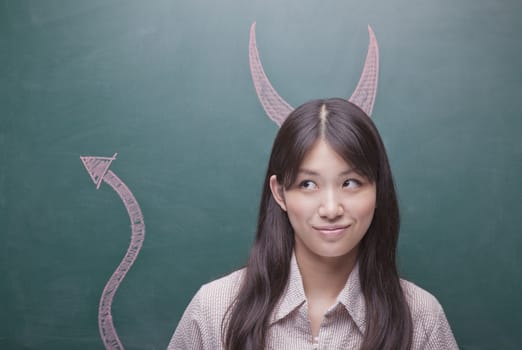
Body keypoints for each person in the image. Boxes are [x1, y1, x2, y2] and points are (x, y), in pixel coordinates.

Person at [168, 98, 458, 350]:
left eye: (351, 183)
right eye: (308, 184)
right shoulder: (214, 309)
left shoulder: (421, 317)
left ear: (378, 189)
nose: (331, 208)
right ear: (280, 192)